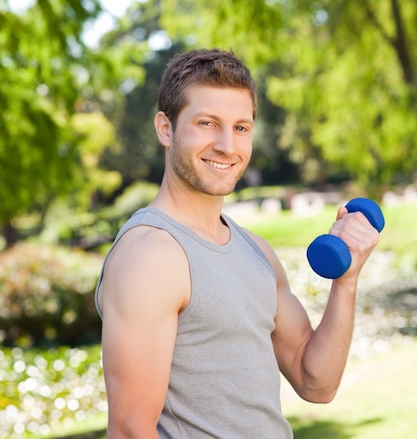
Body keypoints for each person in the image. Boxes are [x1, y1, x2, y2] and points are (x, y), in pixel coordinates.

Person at [95, 47, 379, 439]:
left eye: (241, 127)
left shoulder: (256, 250)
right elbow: (130, 431)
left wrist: (346, 280)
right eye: (208, 123)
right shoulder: (151, 254)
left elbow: (316, 382)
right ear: (166, 128)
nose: (227, 146)